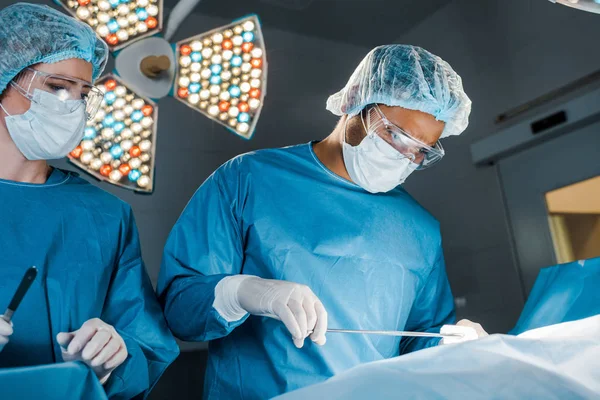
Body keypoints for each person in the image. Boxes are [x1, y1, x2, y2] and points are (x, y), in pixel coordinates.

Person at [158, 44, 488, 399]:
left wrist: (450, 347)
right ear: (358, 104)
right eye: (395, 135)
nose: (405, 157)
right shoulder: (248, 179)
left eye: (421, 151)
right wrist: (242, 292)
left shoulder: (420, 229)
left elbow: (418, 338)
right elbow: (179, 308)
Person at [0, 3, 179, 398]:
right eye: (57, 86)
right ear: (4, 81)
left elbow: (145, 341)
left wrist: (111, 362)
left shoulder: (105, 216)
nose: (71, 106)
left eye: (82, 93)